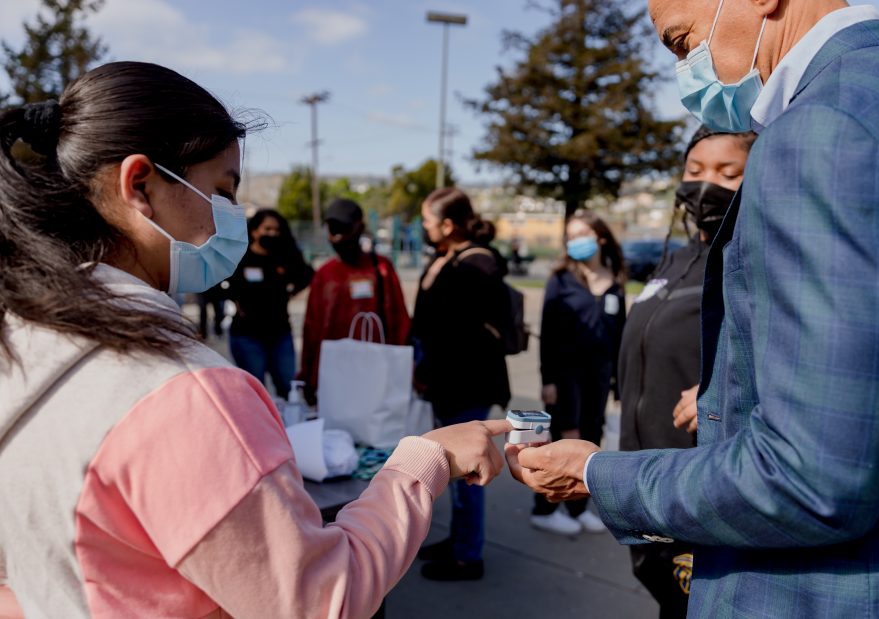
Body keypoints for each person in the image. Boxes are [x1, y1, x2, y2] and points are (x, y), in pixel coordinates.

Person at [507, 0, 879, 616]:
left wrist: (597, 472)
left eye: (682, 40)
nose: (686, 73)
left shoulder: (820, 132)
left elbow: (808, 480)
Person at [0, 61, 511, 619]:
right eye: (222, 190)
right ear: (140, 184)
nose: (233, 217)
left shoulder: (22, 345)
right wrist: (423, 460)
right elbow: (320, 599)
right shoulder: (181, 392)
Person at [617, 127, 754, 618]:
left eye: (727, 173)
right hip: (642, 476)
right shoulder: (674, 260)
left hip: (694, 483)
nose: (705, 184)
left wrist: (728, 387)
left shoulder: (753, 260)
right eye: (694, 171)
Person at [410, 187, 512, 581]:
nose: (424, 228)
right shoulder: (449, 258)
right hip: (448, 383)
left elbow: (455, 330)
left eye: (428, 221)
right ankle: (458, 540)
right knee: (453, 472)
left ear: (448, 225)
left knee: (468, 473)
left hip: (466, 385)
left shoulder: (477, 265)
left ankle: (469, 557)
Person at [532, 210, 626, 537]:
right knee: (563, 441)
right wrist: (548, 380)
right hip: (565, 375)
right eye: (570, 236)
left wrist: (618, 381)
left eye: (582, 233)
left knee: (590, 440)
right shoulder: (560, 279)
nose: (575, 241)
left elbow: (619, 336)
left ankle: (577, 507)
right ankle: (545, 508)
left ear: (599, 237)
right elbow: (548, 333)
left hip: (598, 377)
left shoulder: (615, 282)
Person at [298, 198, 410, 406]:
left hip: (377, 370)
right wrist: (308, 375)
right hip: (334, 373)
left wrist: (402, 367)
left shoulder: (381, 268)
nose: (338, 236)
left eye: (343, 228)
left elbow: (399, 319)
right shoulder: (325, 274)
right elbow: (311, 328)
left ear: (359, 228)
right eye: (332, 229)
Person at [226, 208, 313, 397]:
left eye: (276, 230)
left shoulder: (284, 256)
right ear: (255, 230)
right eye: (267, 229)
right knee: (256, 393)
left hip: (280, 333)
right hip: (248, 335)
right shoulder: (240, 256)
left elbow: (307, 274)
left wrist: (291, 291)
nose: (272, 234)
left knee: (287, 389)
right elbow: (219, 284)